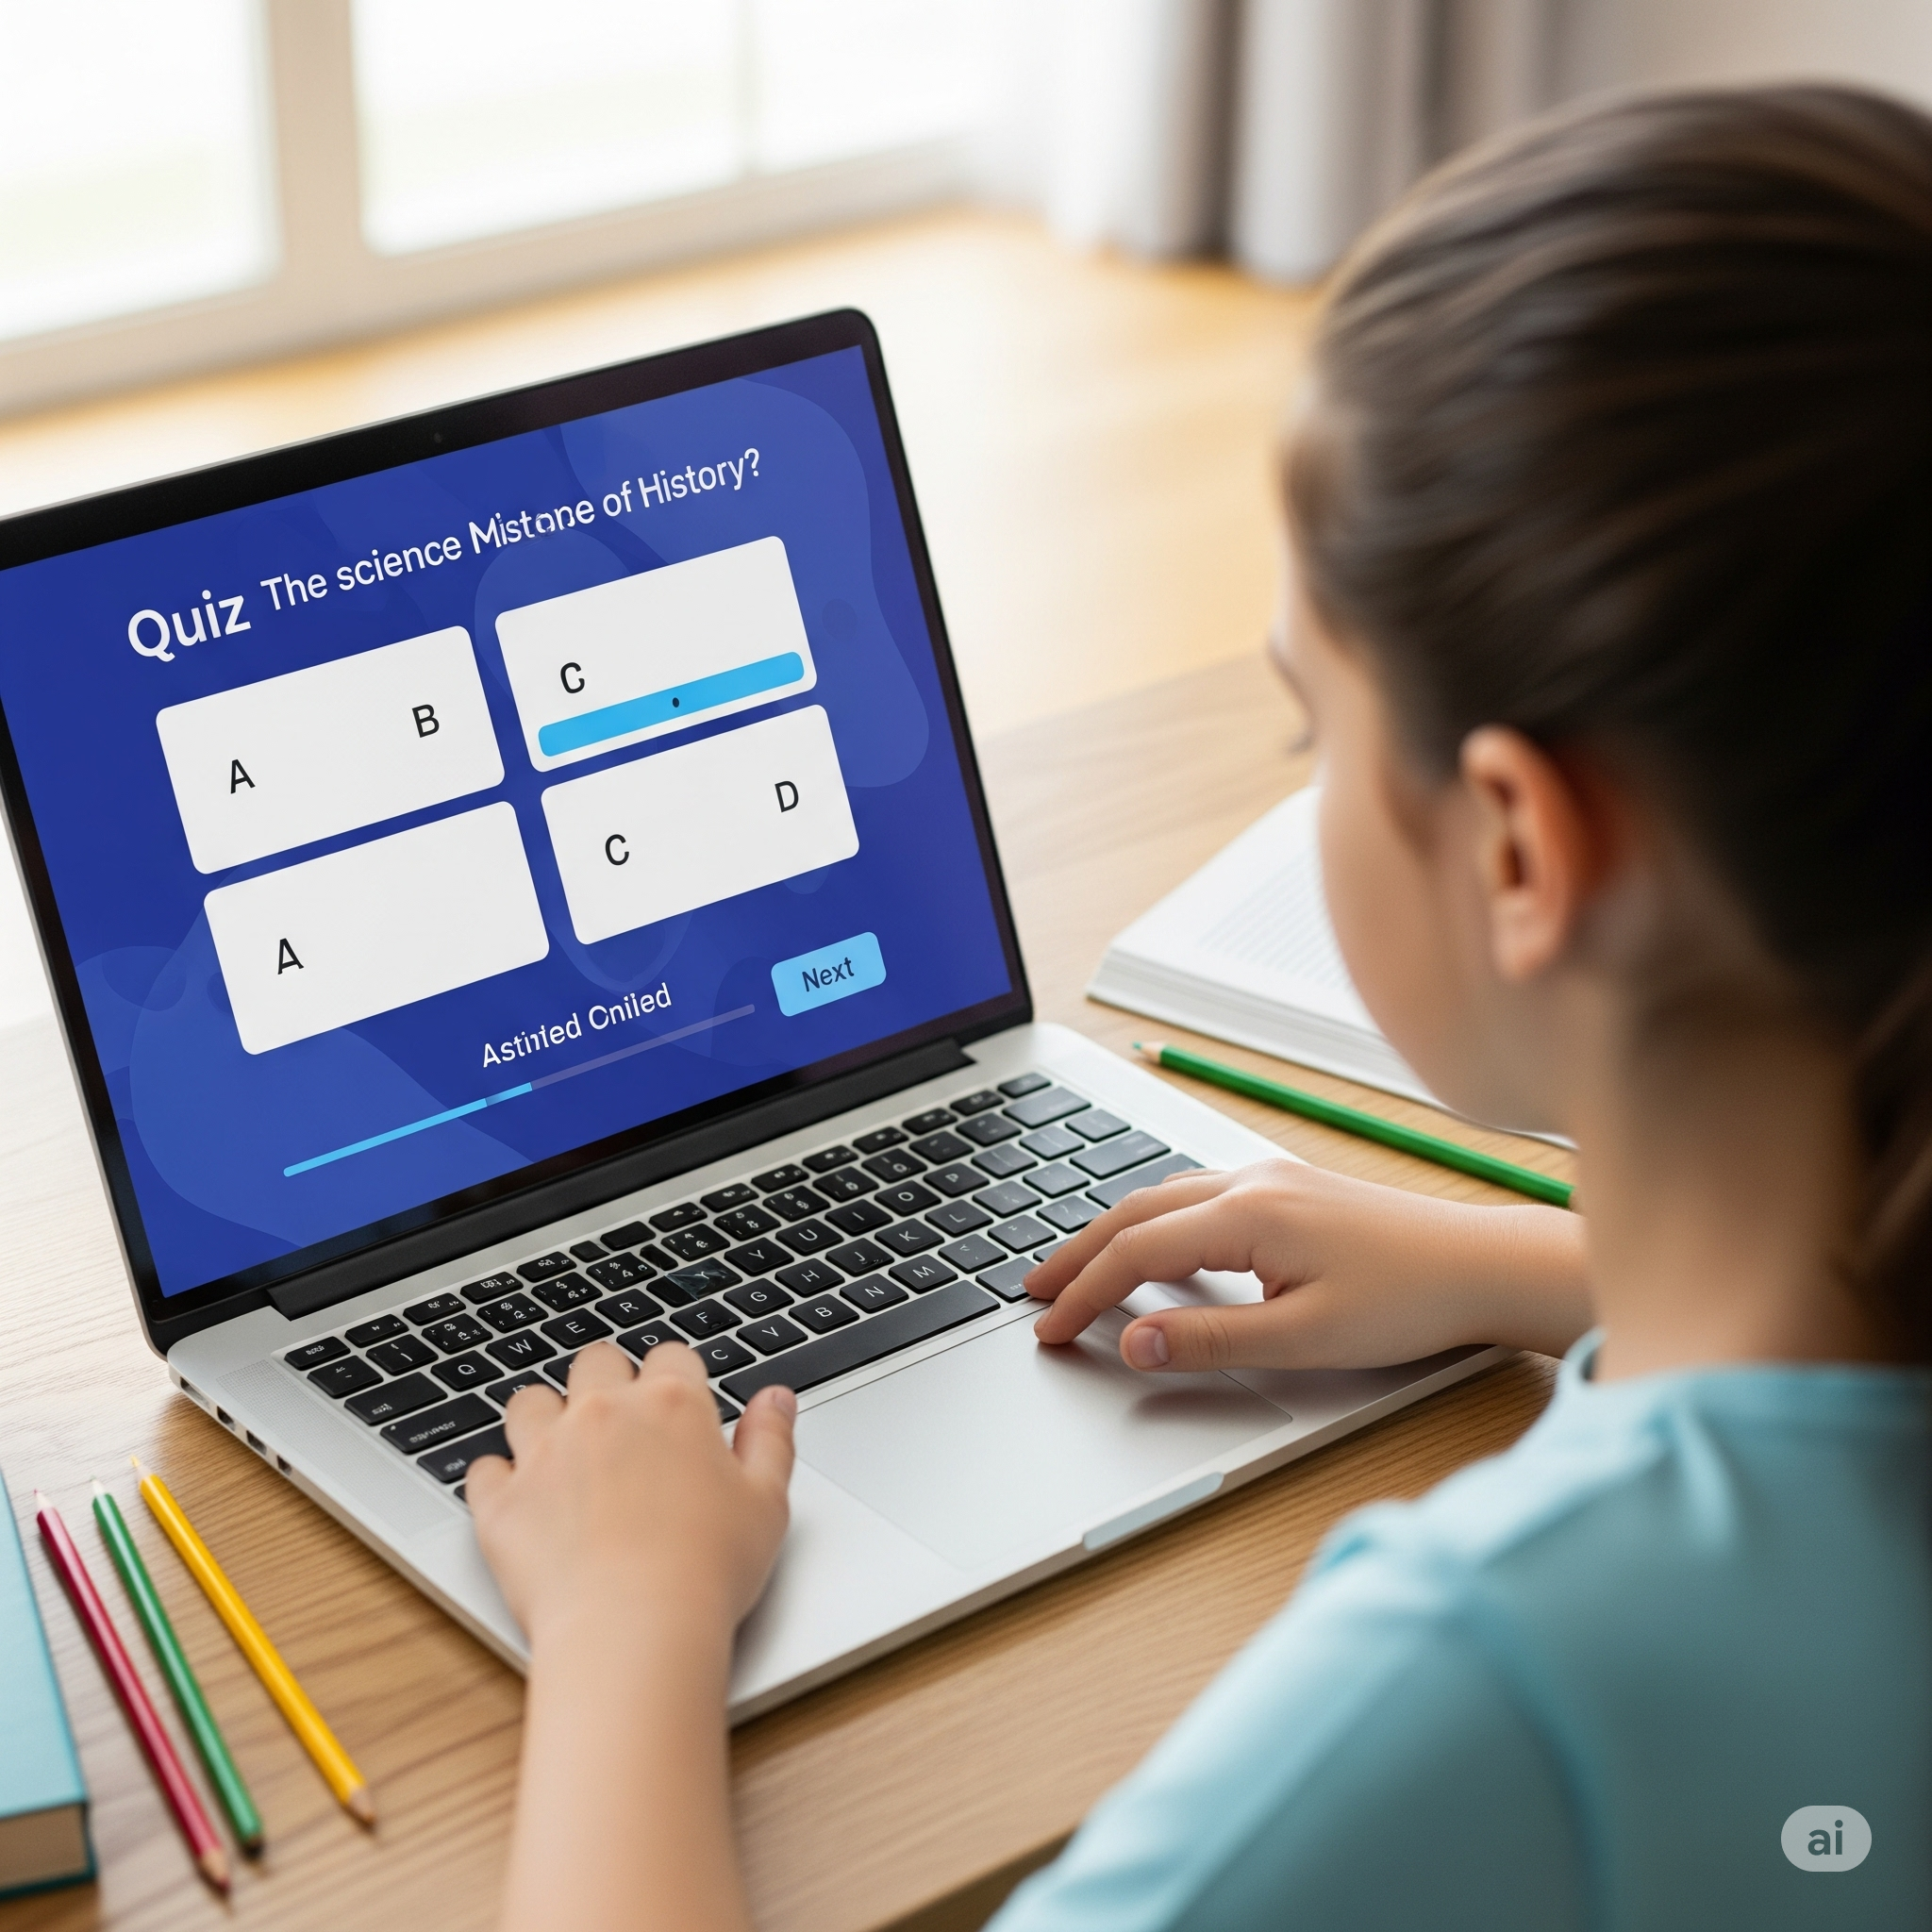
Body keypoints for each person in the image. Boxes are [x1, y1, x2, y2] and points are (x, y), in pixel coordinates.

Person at [468, 83, 1932, 1927]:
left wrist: (626, 1626)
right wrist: (1545, 1260)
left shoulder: (1474, 1674)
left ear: (1515, 850)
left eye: (1314, 724)